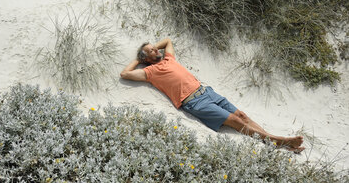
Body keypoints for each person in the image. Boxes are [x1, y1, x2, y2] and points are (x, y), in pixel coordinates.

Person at [120, 38, 305, 152]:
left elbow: (167, 40)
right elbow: (125, 74)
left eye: (155, 48)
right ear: (146, 59)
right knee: (235, 121)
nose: (156, 50)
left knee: (243, 116)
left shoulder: (169, 58)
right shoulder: (150, 72)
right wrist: (139, 58)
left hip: (207, 92)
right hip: (194, 102)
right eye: (151, 51)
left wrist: (150, 47)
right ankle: (280, 141)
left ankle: (273, 140)